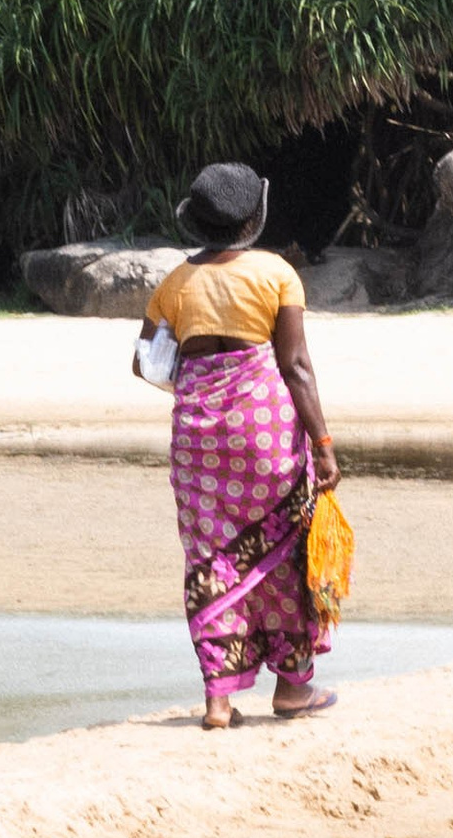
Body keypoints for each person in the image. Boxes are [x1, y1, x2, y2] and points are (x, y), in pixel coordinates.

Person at [140, 163, 340, 731]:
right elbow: (295, 366)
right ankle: (292, 690)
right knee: (286, 547)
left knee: (210, 558)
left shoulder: (175, 284)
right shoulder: (277, 274)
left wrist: (203, 384)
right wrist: (323, 444)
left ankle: (218, 702)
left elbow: (145, 362)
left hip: (198, 440)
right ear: (254, 218)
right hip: (265, 430)